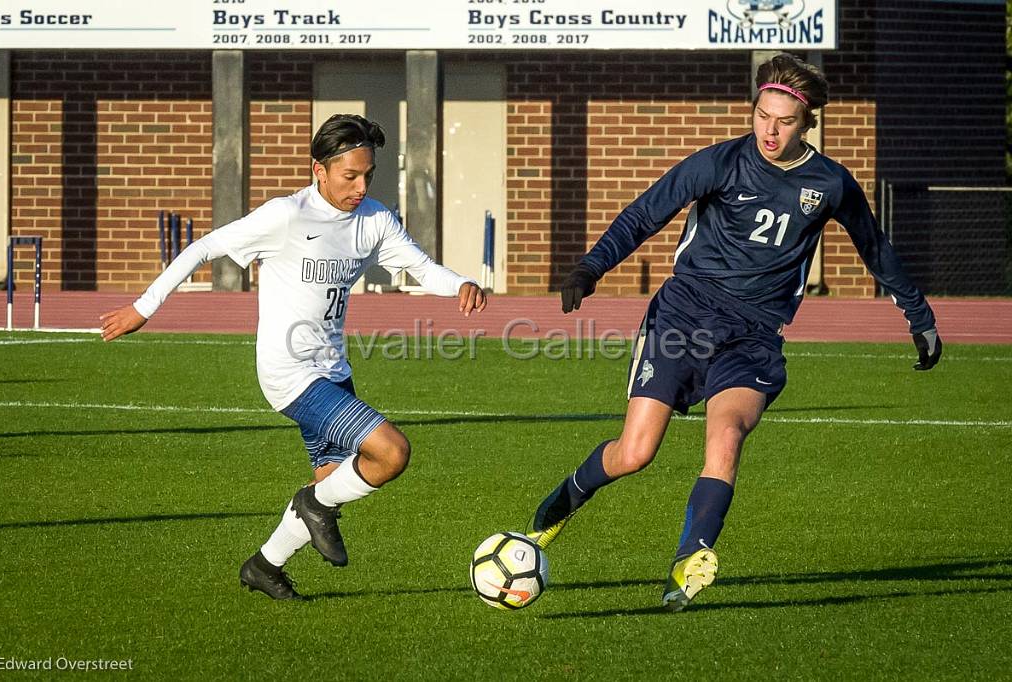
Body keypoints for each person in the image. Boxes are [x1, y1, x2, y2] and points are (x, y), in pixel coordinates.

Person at [525, 53, 942, 611]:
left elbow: (875, 249)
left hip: (754, 335)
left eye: (785, 120)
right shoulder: (719, 163)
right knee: (635, 453)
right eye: (762, 115)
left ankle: (688, 562)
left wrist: (918, 315)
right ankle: (553, 514)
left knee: (726, 440)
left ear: (807, 121)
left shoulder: (830, 183)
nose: (770, 130)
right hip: (684, 316)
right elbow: (645, 213)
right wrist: (591, 266)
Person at [100, 114, 487, 600]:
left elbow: (420, 267)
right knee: (390, 452)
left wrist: (461, 284)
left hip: (333, 370)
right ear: (318, 170)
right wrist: (143, 307)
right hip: (288, 372)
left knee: (333, 481)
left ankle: (264, 565)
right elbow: (203, 248)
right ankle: (312, 504)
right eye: (350, 176)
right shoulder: (285, 215)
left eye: (369, 175)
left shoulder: (375, 220)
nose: (361, 186)